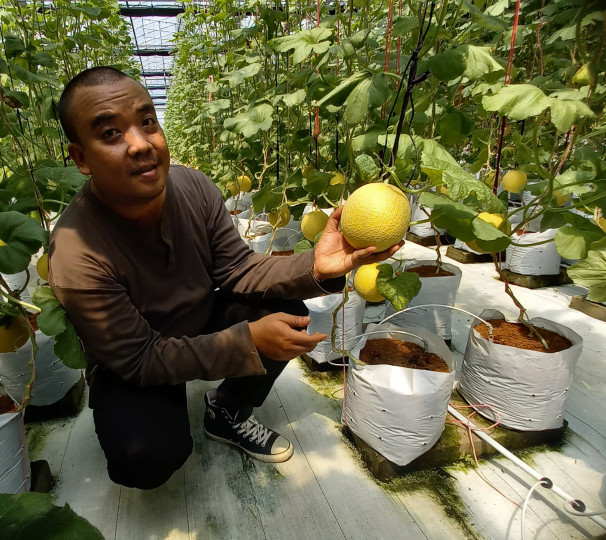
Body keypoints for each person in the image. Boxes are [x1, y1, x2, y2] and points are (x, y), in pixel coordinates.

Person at [47, 66, 401, 490]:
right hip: (132, 356)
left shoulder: (193, 187)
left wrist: (315, 267)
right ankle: (157, 412)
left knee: (286, 310)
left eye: (147, 122)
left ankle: (228, 411)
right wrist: (245, 342)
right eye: (110, 134)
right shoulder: (74, 252)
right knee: (145, 456)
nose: (140, 144)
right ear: (81, 158)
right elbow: (141, 357)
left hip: (198, 317)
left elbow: (238, 270)